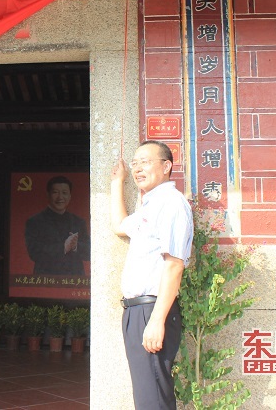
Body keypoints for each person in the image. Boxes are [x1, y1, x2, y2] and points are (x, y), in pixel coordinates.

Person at [110, 140, 193, 410]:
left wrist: (156, 320)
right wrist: (117, 182)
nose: (137, 169)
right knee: (147, 394)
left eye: (145, 162)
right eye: (135, 163)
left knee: (153, 398)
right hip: (137, 311)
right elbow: (120, 226)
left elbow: (174, 265)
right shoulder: (150, 205)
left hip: (152, 309)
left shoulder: (170, 203)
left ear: (166, 166)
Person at [24, 175, 90, 275]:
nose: (60, 197)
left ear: (70, 196)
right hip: (46, 281)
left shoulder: (79, 222)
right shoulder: (34, 221)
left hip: (75, 281)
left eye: (64, 193)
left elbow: (89, 253)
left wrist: (75, 246)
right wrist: (64, 247)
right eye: (55, 192)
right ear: (48, 194)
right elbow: (34, 253)